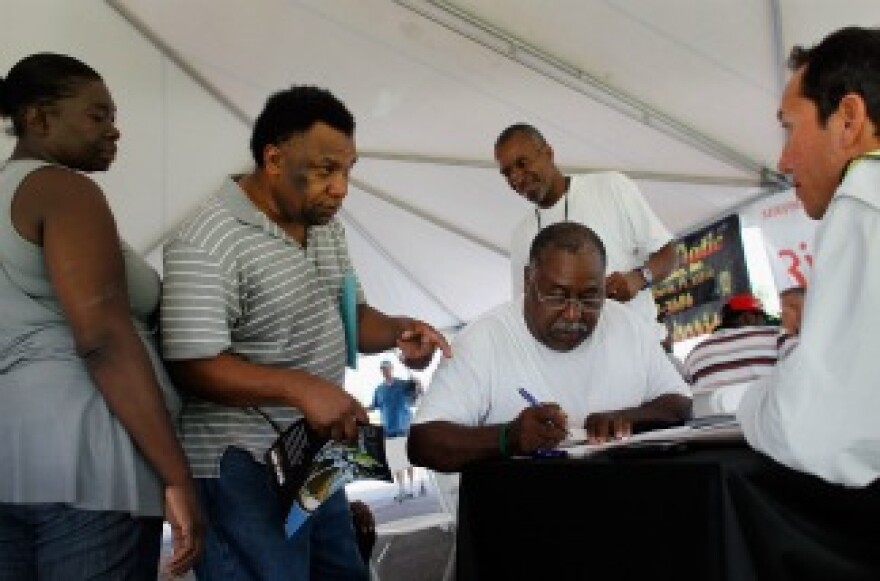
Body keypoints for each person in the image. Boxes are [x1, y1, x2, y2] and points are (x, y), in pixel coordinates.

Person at [160, 84, 452, 579]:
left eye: (348, 170)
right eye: (325, 170)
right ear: (274, 159)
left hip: (314, 454)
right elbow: (192, 364)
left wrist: (399, 331)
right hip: (240, 464)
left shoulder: (325, 227)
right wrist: (301, 389)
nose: (341, 188)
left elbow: (351, 315)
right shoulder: (207, 238)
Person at [0, 53, 202, 578]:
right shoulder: (61, 189)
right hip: (89, 454)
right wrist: (176, 475)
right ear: (38, 118)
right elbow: (103, 339)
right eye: (97, 115)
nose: (114, 130)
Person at [407, 222, 691, 473]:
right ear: (528, 280)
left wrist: (626, 418)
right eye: (557, 296)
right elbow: (423, 443)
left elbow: (680, 403)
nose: (573, 313)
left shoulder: (627, 325)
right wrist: (508, 437)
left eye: (590, 298)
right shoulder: (482, 339)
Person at [736, 26, 880, 487]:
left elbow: (812, 430)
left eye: (789, 128)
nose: (782, 161)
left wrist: (747, 404)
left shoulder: (862, 196)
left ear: (848, 119)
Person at [494, 123, 678, 338]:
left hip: (638, 344)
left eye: (522, 164)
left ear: (548, 153)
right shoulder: (521, 236)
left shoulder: (610, 188)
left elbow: (668, 253)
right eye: (507, 173)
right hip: (571, 354)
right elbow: (524, 307)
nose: (516, 178)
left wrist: (638, 278)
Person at [368, 359, 423, 501]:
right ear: (381, 371)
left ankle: (412, 487)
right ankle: (402, 489)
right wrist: (358, 409)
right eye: (383, 369)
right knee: (397, 461)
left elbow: (417, 393)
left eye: (387, 368)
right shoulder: (379, 390)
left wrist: (417, 383)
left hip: (404, 427)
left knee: (408, 458)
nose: (385, 371)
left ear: (392, 369)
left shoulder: (403, 384)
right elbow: (373, 406)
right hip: (389, 429)